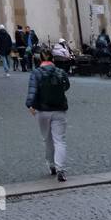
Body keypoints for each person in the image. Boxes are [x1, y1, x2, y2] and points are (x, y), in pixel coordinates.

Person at [26, 48, 70, 183]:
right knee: (59, 140)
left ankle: (51, 165)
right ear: (53, 59)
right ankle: (60, 169)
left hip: (42, 111)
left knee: (47, 139)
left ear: (40, 60)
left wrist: (30, 105)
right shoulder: (60, 72)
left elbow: (32, 91)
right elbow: (67, 86)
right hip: (59, 109)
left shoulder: (36, 73)